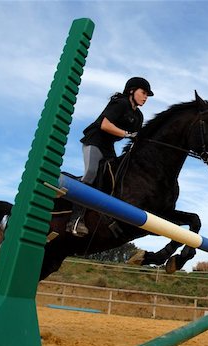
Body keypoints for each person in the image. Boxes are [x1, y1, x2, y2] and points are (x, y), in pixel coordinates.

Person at [66, 77, 154, 236]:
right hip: (94, 141)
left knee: (113, 177)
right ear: (132, 91)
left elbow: (137, 138)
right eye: (143, 93)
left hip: (108, 148)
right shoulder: (121, 103)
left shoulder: (139, 116)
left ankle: (107, 217)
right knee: (91, 173)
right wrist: (128, 134)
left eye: (147, 95)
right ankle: (76, 219)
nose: (145, 97)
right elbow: (105, 125)